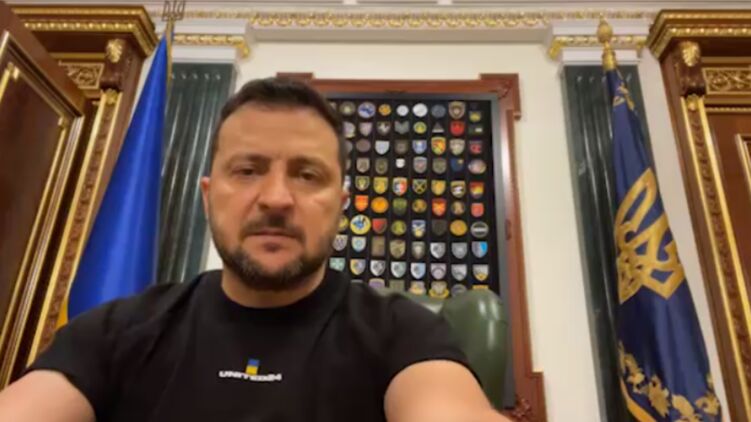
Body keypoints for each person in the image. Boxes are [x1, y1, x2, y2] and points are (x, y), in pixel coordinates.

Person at [0, 77, 511, 422]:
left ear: (340, 205)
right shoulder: (114, 333)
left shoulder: (406, 334)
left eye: (307, 175)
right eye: (247, 170)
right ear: (208, 196)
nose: (276, 198)